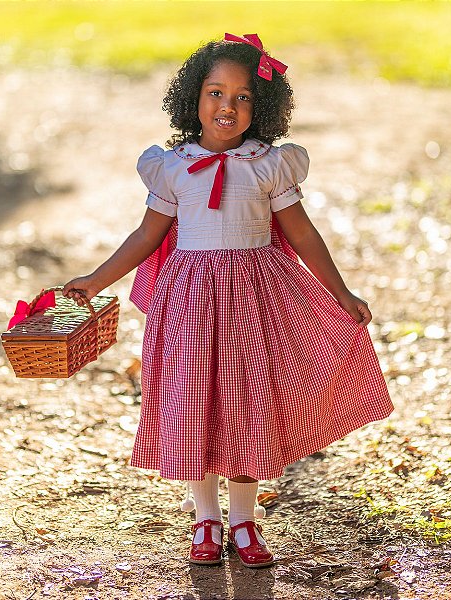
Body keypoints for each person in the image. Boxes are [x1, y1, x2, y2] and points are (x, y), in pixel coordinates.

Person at [63, 33, 394, 569]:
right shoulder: (172, 167)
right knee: (194, 405)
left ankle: (243, 518)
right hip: (190, 305)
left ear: (260, 107)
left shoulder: (269, 165)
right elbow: (147, 236)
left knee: (245, 406)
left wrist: (342, 292)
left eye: (243, 97)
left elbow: (303, 236)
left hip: (251, 305)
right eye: (216, 93)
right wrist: (95, 280)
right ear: (193, 99)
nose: (228, 106)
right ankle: (205, 519)